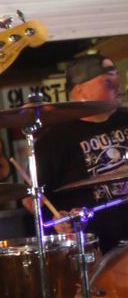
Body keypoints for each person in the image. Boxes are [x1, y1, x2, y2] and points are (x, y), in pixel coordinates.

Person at [31, 54, 127, 254]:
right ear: (80, 89)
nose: (119, 86)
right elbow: (30, 196)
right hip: (95, 248)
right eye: (108, 81)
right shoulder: (54, 139)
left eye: (118, 78)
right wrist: (56, 218)